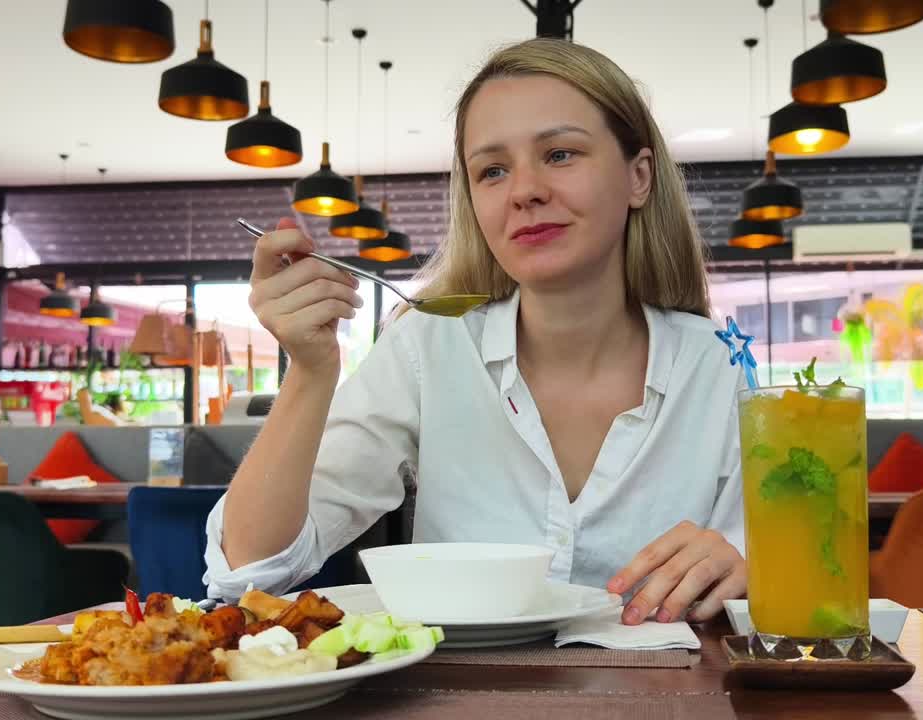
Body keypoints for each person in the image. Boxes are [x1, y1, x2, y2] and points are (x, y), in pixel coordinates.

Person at [205, 38, 747, 626]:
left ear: (638, 177)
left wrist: (748, 561)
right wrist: (311, 371)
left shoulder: (718, 365)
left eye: (561, 154)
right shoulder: (427, 349)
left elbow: (788, 566)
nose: (524, 191)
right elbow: (250, 570)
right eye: (492, 170)